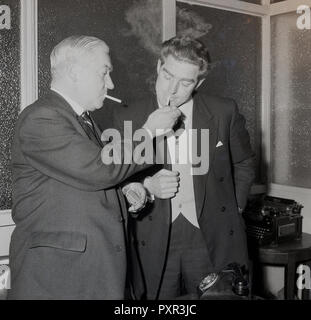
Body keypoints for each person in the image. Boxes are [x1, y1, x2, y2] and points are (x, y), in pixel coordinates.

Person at [8, 35, 181, 300]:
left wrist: (125, 192)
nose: (110, 83)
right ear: (76, 73)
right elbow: (98, 169)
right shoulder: (42, 117)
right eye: (104, 73)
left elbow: (79, 181)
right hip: (59, 278)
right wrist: (149, 131)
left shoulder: (83, 120)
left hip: (86, 272)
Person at [114, 36, 256, 300]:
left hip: (210, 236)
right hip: (153, 236)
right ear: (158, 67)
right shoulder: (128, 117)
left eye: (185, 82)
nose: (172, 90)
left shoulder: (224, 111)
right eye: (168, 76)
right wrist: (147, 187)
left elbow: (244, 162)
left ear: (199, 83)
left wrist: (233, 207)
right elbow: (112, 180)